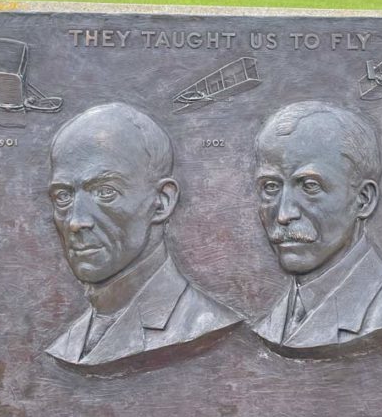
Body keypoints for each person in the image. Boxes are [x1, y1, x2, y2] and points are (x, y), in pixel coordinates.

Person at [46, 102, 240, 367]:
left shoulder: (202, 324)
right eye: (63, 196)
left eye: (105, 192)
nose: (76, 221)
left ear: (161, 202)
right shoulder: (69, 343)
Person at [251, 100, 382, 357]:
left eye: (309, 186)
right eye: (271, 187)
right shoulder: (270, 324)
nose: (283, 214)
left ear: (363, 199)